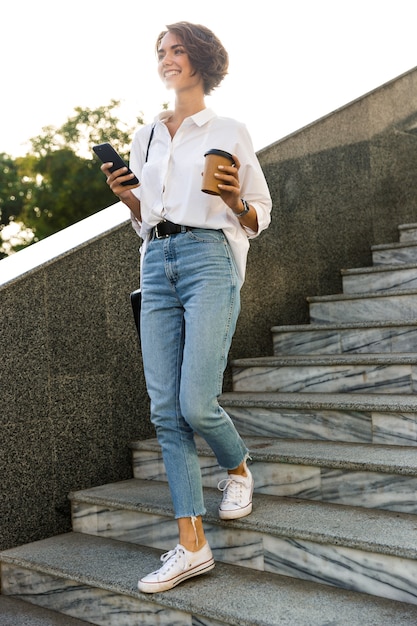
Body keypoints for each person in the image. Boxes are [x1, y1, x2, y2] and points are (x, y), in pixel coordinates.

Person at [101, 21, 272, 594]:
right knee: (165, 410)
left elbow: (260, 215)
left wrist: (232, 198)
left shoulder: (227, 128)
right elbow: (146, 215)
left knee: (197, 403)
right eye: (160, 52)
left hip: (208, 260)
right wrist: (128, 198)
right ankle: (191, 544)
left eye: (177, 50)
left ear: (200, 60)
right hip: (156, 259)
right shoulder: (146, 135)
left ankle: (239, 467)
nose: (167, 59)